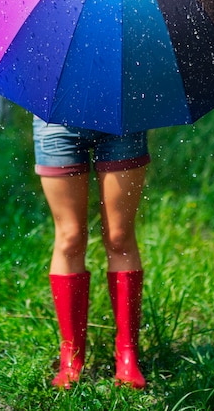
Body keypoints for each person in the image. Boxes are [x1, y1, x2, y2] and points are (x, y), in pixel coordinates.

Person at [33, 116, 150, 389]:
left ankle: (127, 356)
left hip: (123, 113)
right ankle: (71, 359)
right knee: (70, 238)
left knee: (120, 237)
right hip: (56, 119)